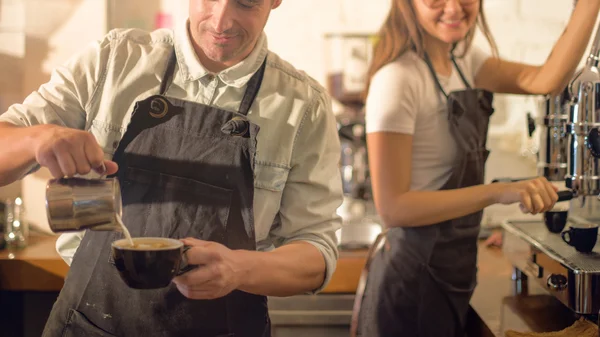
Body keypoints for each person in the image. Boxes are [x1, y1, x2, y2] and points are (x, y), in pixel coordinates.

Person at [0, 0, 344, 336]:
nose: (221, 21)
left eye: (246, 3)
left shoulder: (304, 106)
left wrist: (240, 269)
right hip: (91, 324)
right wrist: (38, 138)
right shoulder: (112, 61)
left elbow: (316, 249)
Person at [353, 0, 600, 336]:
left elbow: (546, 80)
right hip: (409, 282)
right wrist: (498, 192)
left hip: (455, 271)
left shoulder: (467, 61)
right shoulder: (397, 79)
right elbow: (394, 209)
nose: (454, 8)